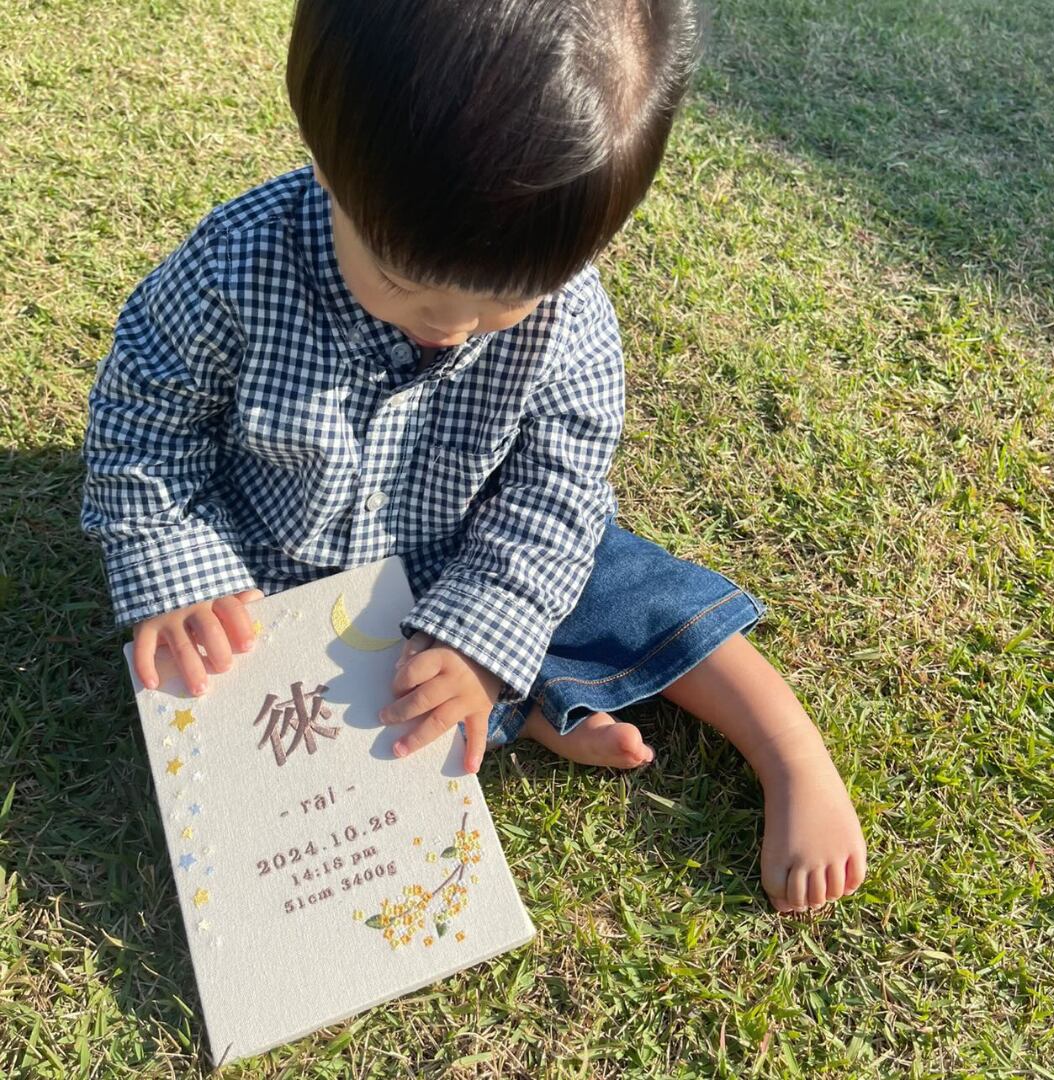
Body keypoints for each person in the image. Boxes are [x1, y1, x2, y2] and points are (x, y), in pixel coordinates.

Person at [80, 0, 865, 913]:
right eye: (400, 281)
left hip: (475, 540)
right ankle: (531, 707)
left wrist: (483, 634)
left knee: (617, 576)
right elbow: (146, 424)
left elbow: (557, 493)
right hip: (277, 556)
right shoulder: (234, 267)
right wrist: (180, 571)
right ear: (327, 161)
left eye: (502, 304)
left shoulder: (572, 319)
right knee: (247, 679)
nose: (450, 329)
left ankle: (786, 750)